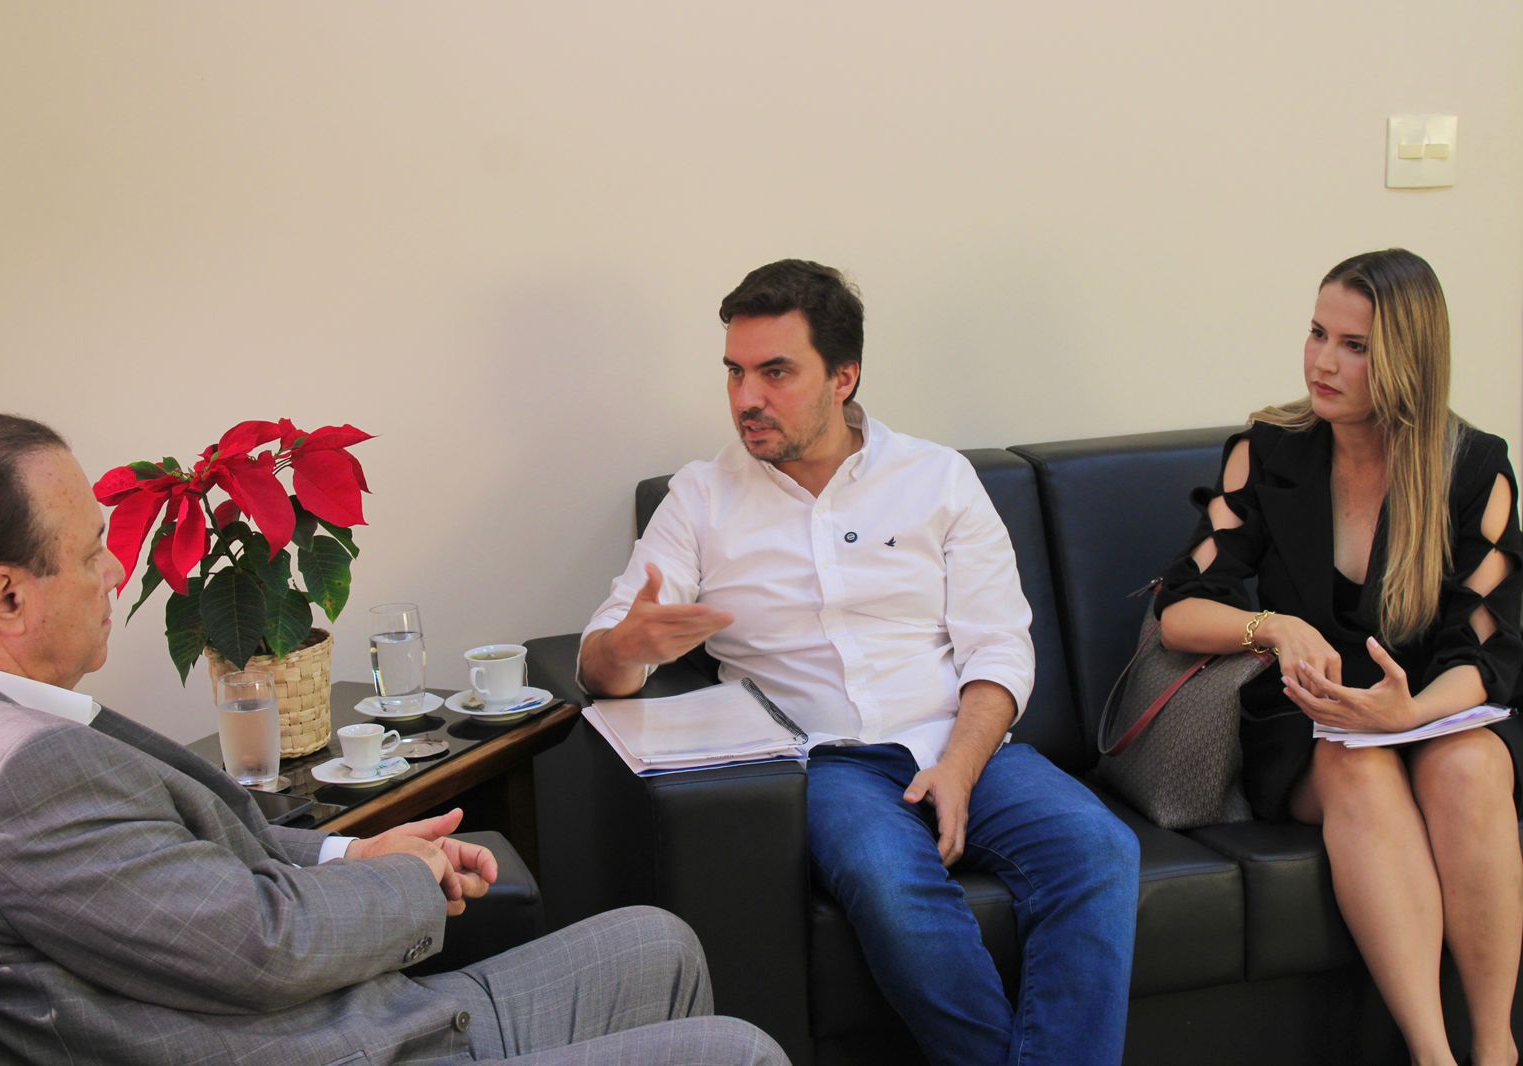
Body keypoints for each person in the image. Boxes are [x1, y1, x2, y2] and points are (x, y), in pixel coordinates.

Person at [0, 411, 787, 1066]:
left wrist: (352, 854)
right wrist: (413, 880)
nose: (115, 571)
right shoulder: (16, 775)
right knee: (739, 1053)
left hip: (354, 1019)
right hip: (335, 1045)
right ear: (6, 598)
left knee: (658, 944)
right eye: (88, 554)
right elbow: (263, 945)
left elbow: (199, 876)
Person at [578, 259, 1140, 1066]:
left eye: (775, 372)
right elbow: (601, 660)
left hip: (965, 739)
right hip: (825, 764)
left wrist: (960, 766)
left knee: (1099, 849)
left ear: (844, 377)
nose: (746, 398)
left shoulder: (937, 479)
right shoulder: (699, 499)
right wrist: (627, 648)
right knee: (887, 878)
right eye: (735, 372)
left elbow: (999, 645)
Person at [1155, 249, 1523, 1066]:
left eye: (1354, 346)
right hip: (1310, 722)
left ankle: (1497, 1047)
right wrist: (1274, 627)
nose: (1322, 361)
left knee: (1471, 768)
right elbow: (1179, 609)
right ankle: (1433, 1056)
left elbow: (1489, 649)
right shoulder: (1269, 448)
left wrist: (1411, 711)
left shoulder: (1474, 468)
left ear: (1408, 359)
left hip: (1433, 708)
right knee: (1359, 764)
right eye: (1318, 333)